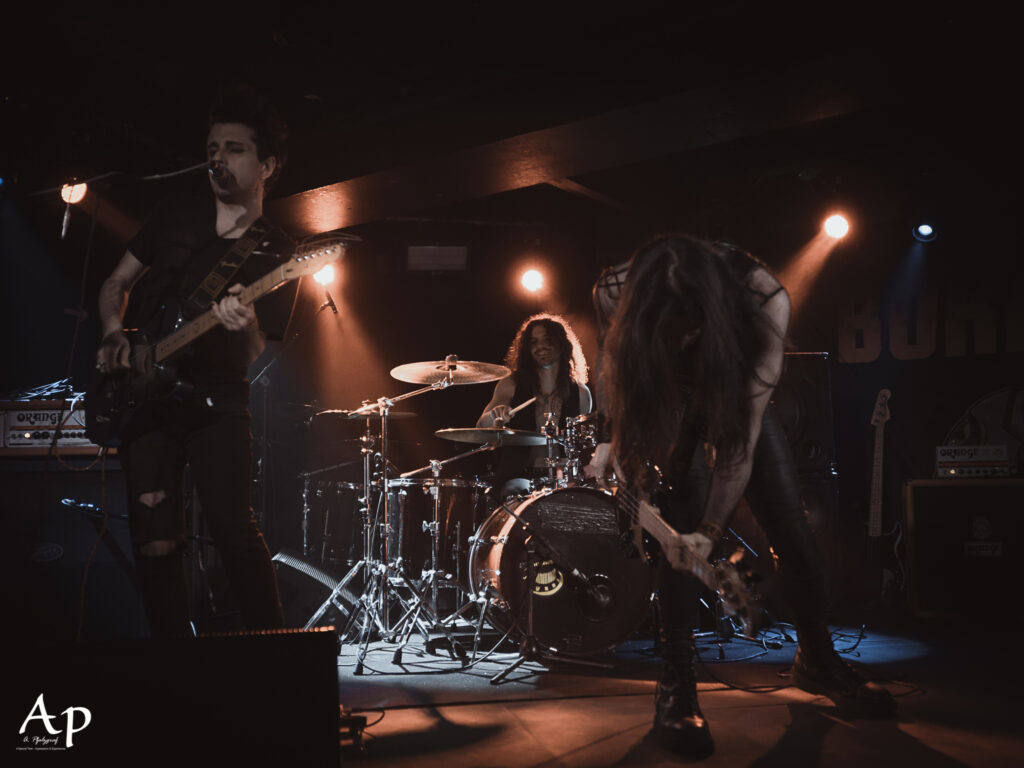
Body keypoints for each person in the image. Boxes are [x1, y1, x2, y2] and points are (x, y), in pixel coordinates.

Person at [586, 234, 895, 758]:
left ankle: (816, 657)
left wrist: (710, 534)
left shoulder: (763, 299)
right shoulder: (615, 288)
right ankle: (676, 684)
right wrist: (610, 439)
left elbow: (740, 443)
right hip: (666, 394)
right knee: (679, 516)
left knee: (793, 534)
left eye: (687, 332)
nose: (679, 340)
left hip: (734, 387)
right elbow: (615, 372)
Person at [94, 86, 294, 638]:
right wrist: (113, 331)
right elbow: (116, 282)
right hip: (146, 392)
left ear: (266, 165)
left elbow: (255, 354)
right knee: (155, 540)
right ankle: (176, 667)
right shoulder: (174, 214)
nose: (217, 158)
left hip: (216, 399)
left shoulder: (275, 249)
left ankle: (275, 657)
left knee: (232, 529)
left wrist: (246, 325)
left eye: (234, 149)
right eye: (212, 147)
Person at [477, 313, 593, 494]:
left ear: (561, 344)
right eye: (533, 342)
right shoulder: (511, 385)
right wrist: (494, 416)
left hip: (563, 480)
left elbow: (582, 449)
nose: (541, 347)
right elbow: (480, 429)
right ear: (527, 349)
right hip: (517, 479)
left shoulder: (581, 393)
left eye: (547, 340)